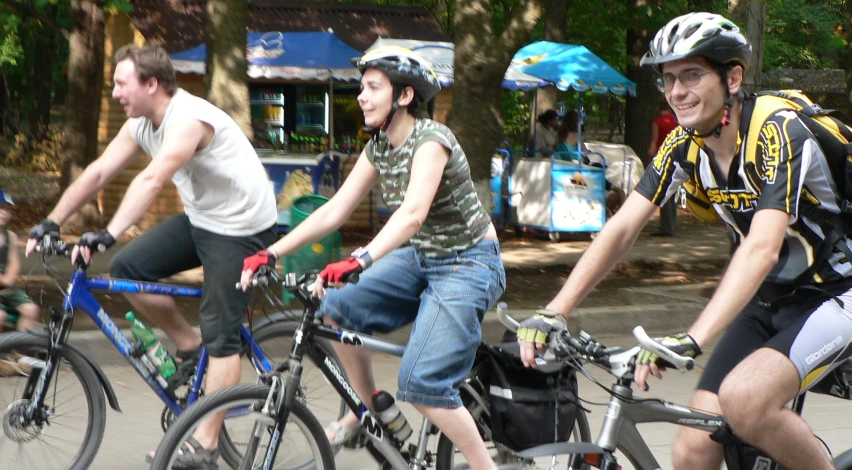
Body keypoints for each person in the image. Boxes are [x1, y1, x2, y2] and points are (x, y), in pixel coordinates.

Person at [515, 12, 852, 470]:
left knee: (745, 402)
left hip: (840, 293)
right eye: (668, 80)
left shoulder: (778, 131)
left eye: (692, 75)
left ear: (733, 77)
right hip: (770, 299)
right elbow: (622, 227)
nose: (678, 92)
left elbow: (761, 247)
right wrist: (555, 308)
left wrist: (692, 338)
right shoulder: (683, 145)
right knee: (693, 447)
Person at [240, 46, 506, 469]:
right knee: (335, 307)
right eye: (362, 87)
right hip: (422, 259)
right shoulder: (380, 146)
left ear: (403, 96)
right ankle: (362, 412)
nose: (361, 96)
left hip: (469, 262)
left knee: (421, 383)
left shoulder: (432, 140)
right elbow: (334, 209)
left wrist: (360, 259)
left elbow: (413, 215)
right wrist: (271, 251)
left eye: (373, 88)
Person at [25, 44, 277, 468]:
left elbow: (153, 178)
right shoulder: (140, 123)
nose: (116, 93)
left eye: (122, 84)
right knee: (128, 268)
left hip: (242, 230)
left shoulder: (189, 119)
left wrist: (109, 232)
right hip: (203, 221)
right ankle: (188, 344)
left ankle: (207, 445)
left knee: (222, 336)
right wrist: (51, 220)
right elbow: (100, 171)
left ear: (151, 84)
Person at [0, 190, 41, 333]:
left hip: (6, 287)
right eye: (1, 208)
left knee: (31, 309)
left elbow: (13, 262)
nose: (4, 212)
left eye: (7, 209)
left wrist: (8, 279)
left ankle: (20, 350)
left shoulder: (10, 236)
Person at [647, 98, 680, 236]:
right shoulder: (677, 122)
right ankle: (671, 224)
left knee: (664, 194)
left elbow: (654, 143)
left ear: (658, 108)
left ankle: (666, 228)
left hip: (663, 159)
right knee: (672, 193)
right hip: (677, 159)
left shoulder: (657, 122)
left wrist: (649, 160)